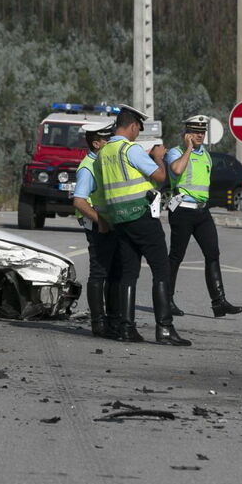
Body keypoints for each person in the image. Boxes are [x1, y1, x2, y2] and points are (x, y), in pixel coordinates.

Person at [99, 105, 191, 346]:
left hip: (119, 219)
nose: (138, 134)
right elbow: (161, 177)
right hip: (141, 216)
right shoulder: (131, 150)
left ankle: (126, 328)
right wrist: (158, 157)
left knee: (129, 273)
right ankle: (165, 329)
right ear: (131, 126)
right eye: (138, 129)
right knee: (161, 269)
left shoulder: (105, 151)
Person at [165, 115, 242, 318]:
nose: (199, 135)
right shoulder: (176, 152)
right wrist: (188, 148)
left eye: (202, 132)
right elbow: (175, 170)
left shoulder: (206, 155)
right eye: (195, 132)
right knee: (176, 257)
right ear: (186, 134)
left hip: (202, 211)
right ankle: (166, 299)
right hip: (182, 210)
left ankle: (219, 302)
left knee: (213, 253)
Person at [72, 121, 122, 339]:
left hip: (111, 224)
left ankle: (113, 319)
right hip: (97, 227)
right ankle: (98, 323)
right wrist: (100, 221)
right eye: (106, 139)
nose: (110, 142)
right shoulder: (87, 167)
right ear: (95, 143)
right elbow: (79, 202)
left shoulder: (103, 162)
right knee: (99, 273)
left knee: (113, 272)